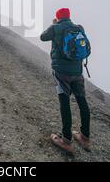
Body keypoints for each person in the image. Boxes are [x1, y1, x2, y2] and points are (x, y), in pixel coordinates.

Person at [40, 8, 91, 155]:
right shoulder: (79, 28)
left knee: (65, 103)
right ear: (69, 17)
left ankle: (66, 140)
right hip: (77, 72)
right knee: (82, 102)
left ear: (58, 17)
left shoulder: (55, 28)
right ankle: (85, 137)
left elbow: (43, 37)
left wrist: (53, 25)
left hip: (62, 72)